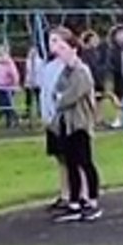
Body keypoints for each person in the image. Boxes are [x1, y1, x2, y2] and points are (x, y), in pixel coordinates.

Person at [43, 28, 101, 223]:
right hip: (65, 124)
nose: (60, 51)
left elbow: (69, 96)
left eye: (63, 47)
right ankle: (74, 202)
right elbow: (55, 92)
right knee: (71, 164)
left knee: (85, 162)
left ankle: (92, 200)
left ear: (73, 49)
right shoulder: (64, 72)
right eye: (58, 47)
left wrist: (60, 98)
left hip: (79, 124)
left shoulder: (82, 71)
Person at [0, 45, 22, 129]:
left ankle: (15, 119)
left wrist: (14, 84)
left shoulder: (9, 63)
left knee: (8, 104)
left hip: (7, 88)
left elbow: (15, 75)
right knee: (3, 105)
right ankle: (9, 121)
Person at [23, 45, 44, 123]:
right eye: (31, 51)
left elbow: (40, 72)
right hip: (29, 83)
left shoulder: (40, 61)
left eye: (33, 51)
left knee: (39, 99)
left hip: (38, 83)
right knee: (28, 99)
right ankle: (28, 113)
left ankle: (40, 113)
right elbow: (28, 72)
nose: (32, 53)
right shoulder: (28, 61)